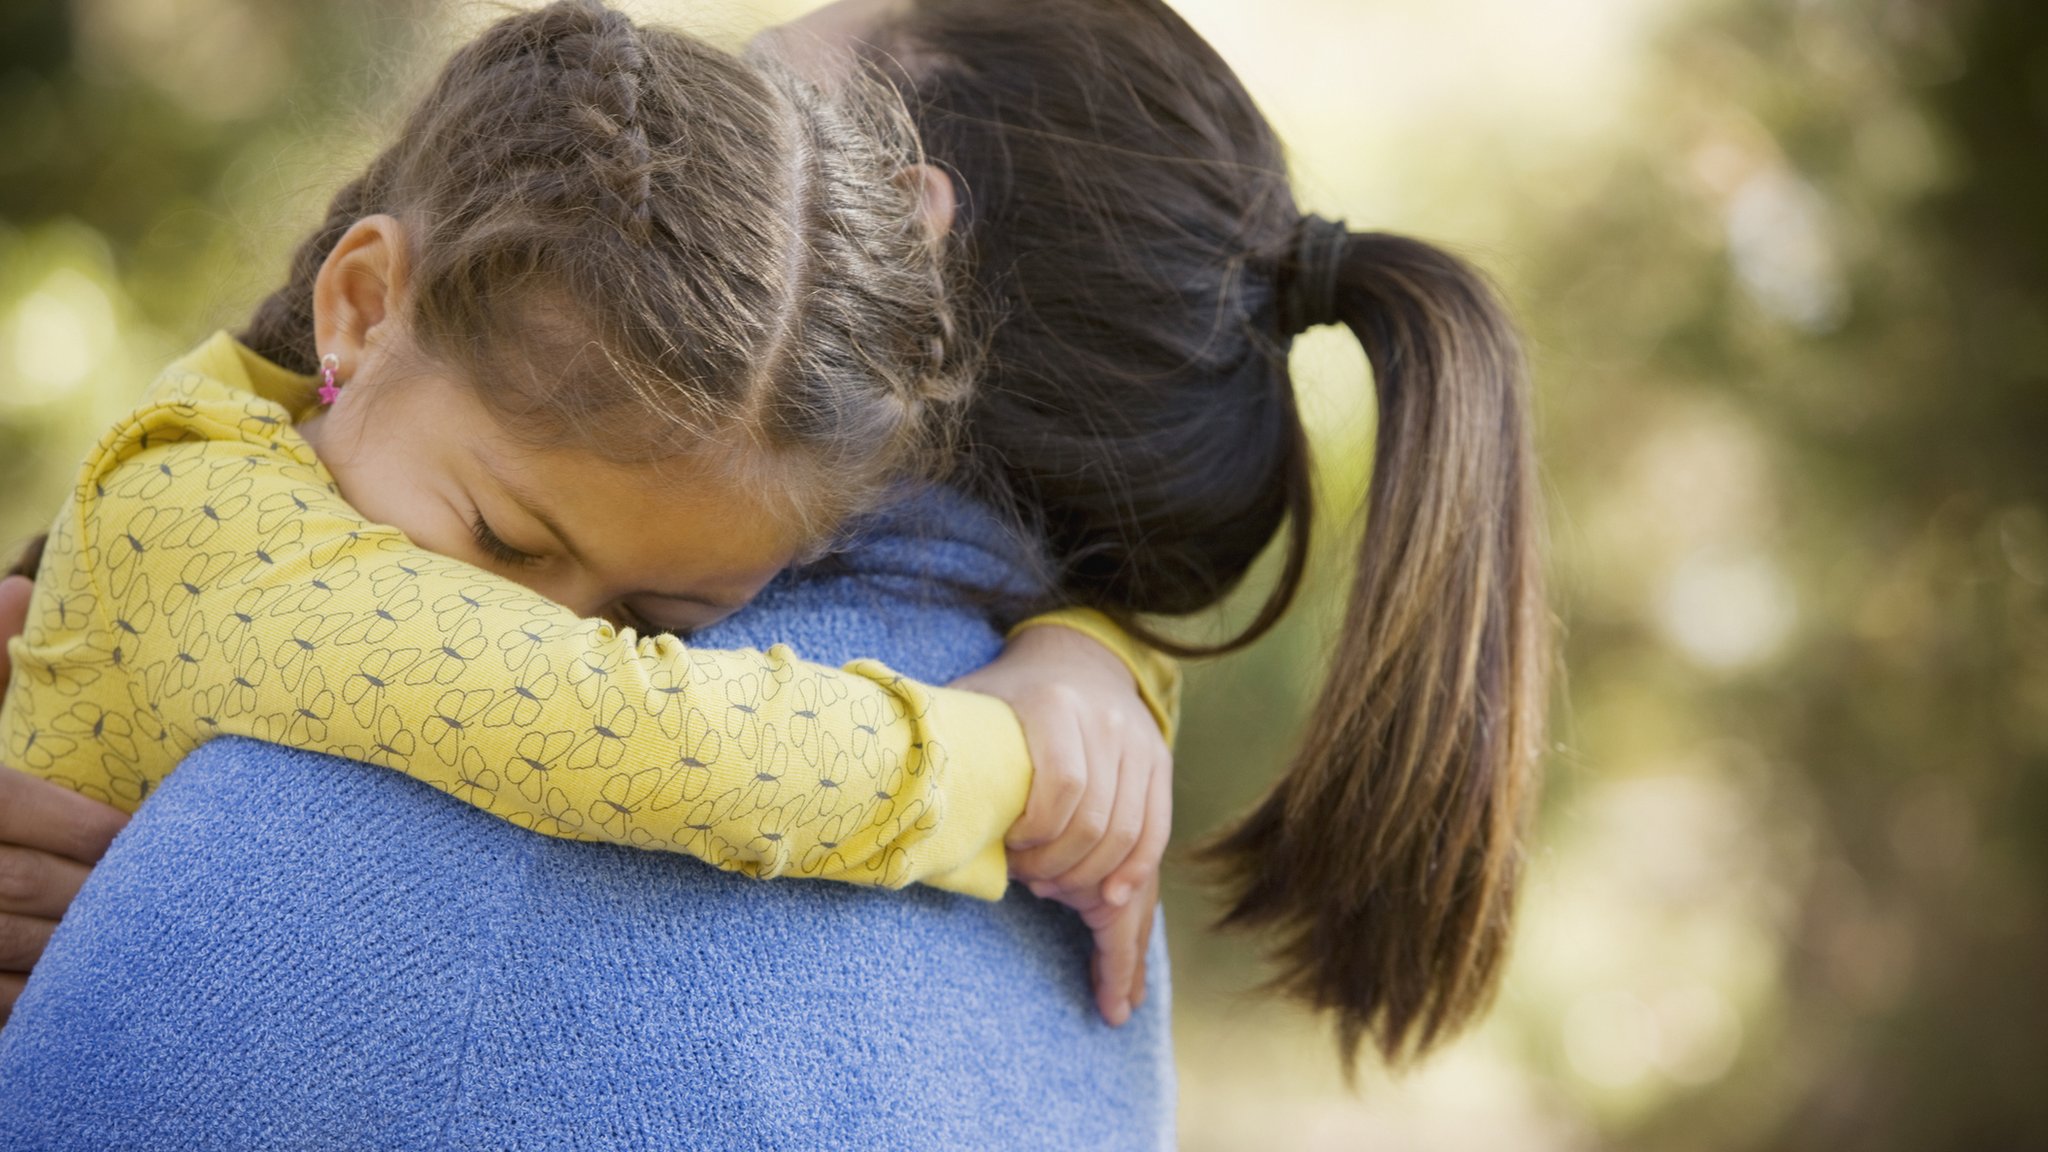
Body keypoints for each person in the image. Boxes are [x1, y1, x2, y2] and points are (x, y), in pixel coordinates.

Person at [0, 0, 1550, 1142]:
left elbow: (634, 733)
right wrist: (1079, 676)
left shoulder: (378, 799)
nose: (666, 154)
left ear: (873, 269)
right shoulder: (1091, 885)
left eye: (748, 105)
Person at [0, 0, 1175, 1016]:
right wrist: (1014, 765)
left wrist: (1092, 654)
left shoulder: (363, 443)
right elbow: (637, 734)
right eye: (507, 542)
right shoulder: (215, 529)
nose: (561, 633)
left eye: (653, 616)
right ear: (361, 308)